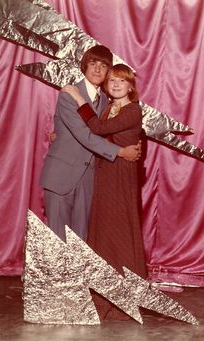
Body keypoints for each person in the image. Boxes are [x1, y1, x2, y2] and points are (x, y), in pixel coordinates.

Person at [62, 64, 147, 320]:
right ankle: (106, 289)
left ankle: (127, 293)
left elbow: (97, 129)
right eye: (112, 81)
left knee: (119, 228)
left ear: (131, 85)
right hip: (106, 173)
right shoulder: (111, 107)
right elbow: (102, 138)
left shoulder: (133, 110)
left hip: (120, 176)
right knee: (104, 229)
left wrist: (77, 97)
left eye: (122, 81)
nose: (116, 84)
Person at [40, 45, 141, 242]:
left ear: (108, 72)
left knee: (81, 244)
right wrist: (121, 152)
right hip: (61, 176)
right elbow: (85, 135)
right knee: (58, 242)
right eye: (93, 64)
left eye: (103, 66)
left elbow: (117, 128)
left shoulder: (108, 100)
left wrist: (135, 143)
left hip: (90, 180)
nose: (97, 70)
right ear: (84, 66)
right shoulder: (69, 94)